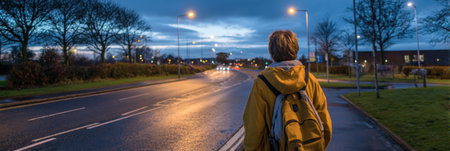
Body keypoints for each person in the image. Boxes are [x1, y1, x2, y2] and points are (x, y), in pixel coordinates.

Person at [243, 30, 332, 151]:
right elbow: (324, 122)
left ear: (271, 52)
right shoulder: (309, 79)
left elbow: (254, 127)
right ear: (296, 49)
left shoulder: (262, 83)